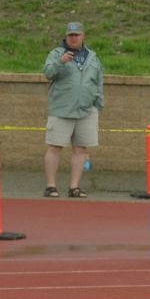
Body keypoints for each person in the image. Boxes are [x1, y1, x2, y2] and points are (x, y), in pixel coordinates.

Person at [43, 21, 104, 198]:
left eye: (77, 35)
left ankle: (74, 187)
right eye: (71, 35)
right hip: (62, 109)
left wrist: (98, 102)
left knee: (81, 149)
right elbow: (48, 73)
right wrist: (60, 62)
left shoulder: (92, 56)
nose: (74, 38)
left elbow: (99, 80)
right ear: (66, 37)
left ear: (83, 36)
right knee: (55, 146)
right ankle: (51, 186)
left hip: (86, 110)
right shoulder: (56, 54)